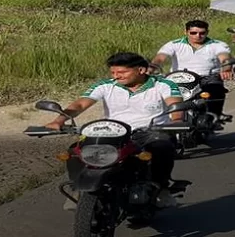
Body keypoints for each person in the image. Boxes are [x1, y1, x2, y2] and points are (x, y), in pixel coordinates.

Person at [45, 53, 182, 210]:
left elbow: (175, 106)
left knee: (162, 147)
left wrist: (177, 120)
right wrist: (59, 121)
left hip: (150, 131)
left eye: (122, 72)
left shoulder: (163, 85)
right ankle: (78, 189)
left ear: (141, 70)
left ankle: (161, 190)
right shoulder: (105, 85)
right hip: (113, 132)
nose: (116, 76)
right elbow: (80, 105)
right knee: (75, 151)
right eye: (113, 73)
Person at [151, 20, 233, 118]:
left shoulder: (217, 44)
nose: (198, 36)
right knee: (161, 94)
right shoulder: (174, 44)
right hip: (179, 78)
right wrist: (152, 67)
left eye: (202, 33)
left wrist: (226, 68)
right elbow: (160, 57)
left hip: (207, 78)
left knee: (216, 91)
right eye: (193, 33)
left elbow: (224, 58)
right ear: (185, 32)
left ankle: (215, 115)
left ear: (207, 32)